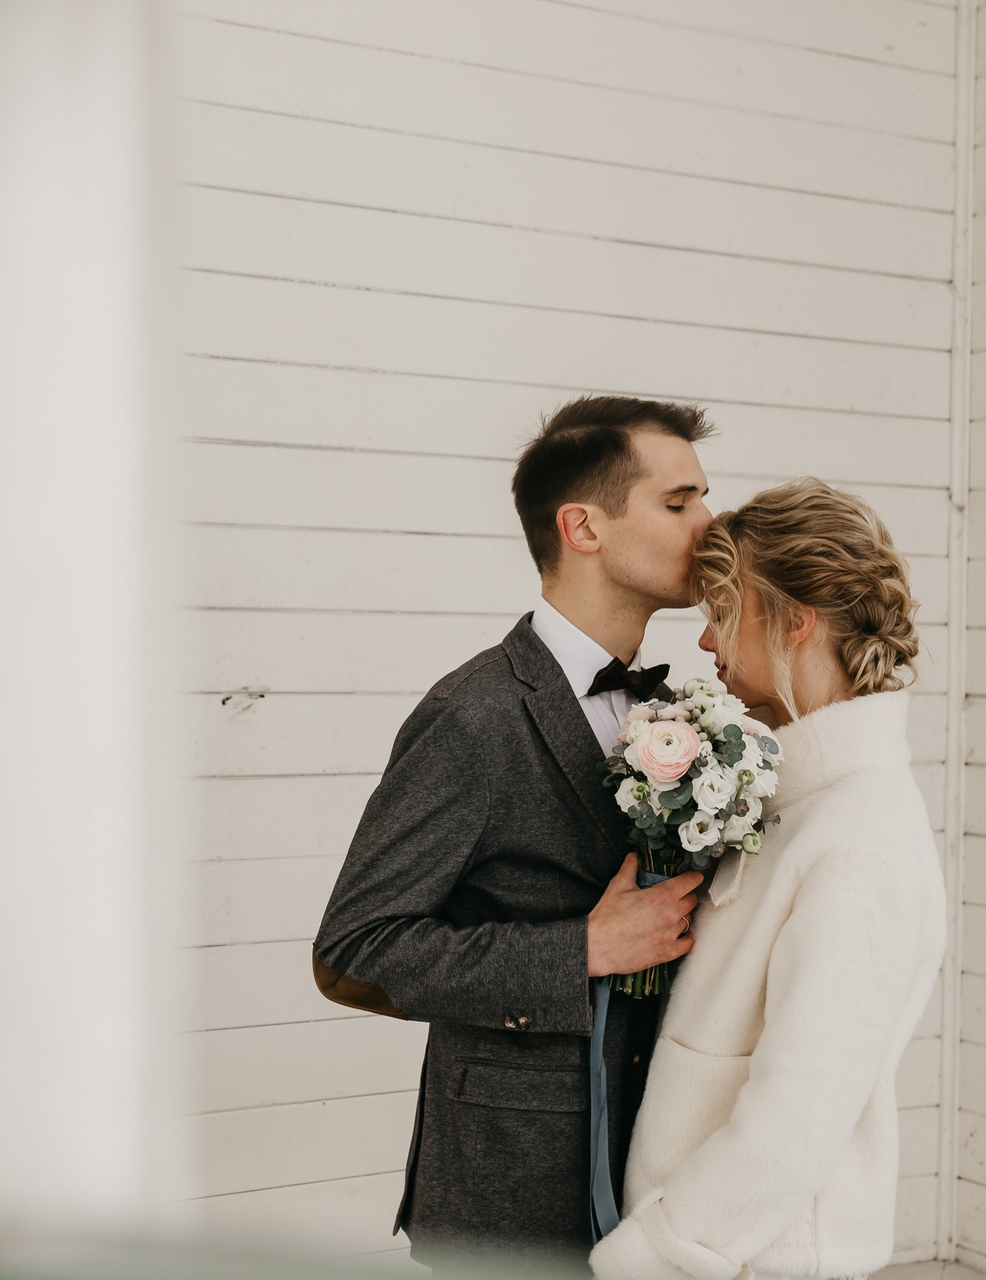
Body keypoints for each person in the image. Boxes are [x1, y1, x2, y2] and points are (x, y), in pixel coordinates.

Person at [313, 396, 715, 1270]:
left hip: (657, 1172)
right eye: (679, 502)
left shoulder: (681, 710)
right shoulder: (473, 716)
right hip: (509, 1190)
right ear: (584, 527)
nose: (709, 526)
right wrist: (582, 950)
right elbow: (353, 951)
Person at [590, 478, 946, 1280]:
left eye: (724, 609)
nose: (706, 640)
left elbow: (797, 1120)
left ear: (794, 620)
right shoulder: (800, 803)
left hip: (757, 1258)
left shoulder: (861, 843)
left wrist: (650, 1257)